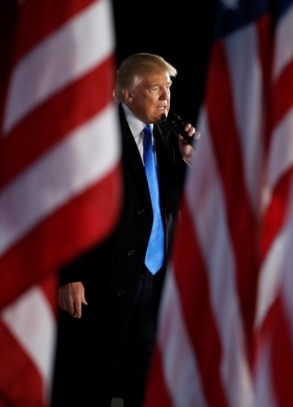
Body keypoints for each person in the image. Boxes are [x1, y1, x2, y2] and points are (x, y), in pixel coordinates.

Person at [51, 53, 197, 407]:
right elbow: (70, 207)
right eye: (154, 89)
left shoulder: (166, 136)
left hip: (154, 279)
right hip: (105, 279)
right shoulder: (97, 134)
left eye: (167, 89)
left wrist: (190, 159)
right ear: (128, 95)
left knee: (144, 382)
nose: (165, 97)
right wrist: (71, 274)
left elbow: (170, 201)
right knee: (95, 380)